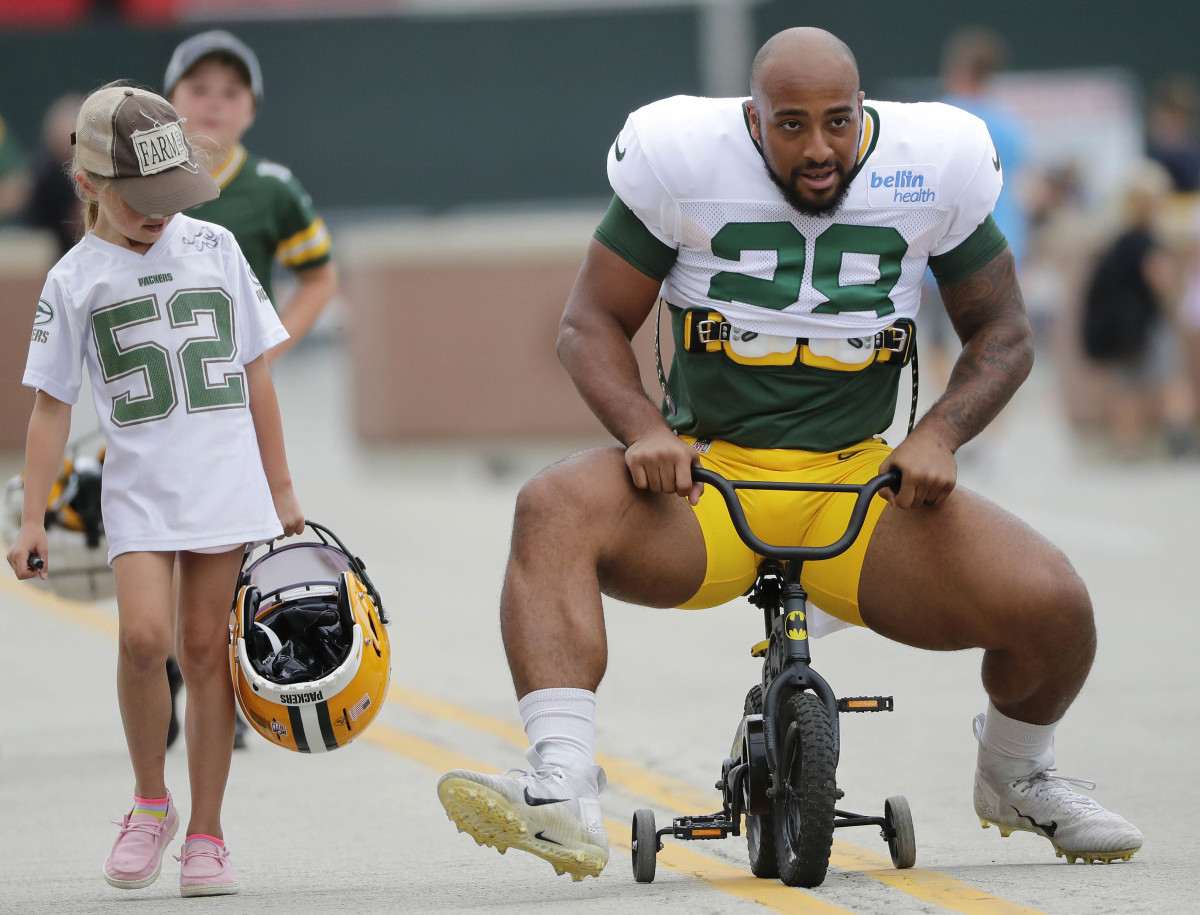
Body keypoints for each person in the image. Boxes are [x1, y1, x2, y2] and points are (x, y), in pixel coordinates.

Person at [435, 27, 1143, 881]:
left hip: (857, 481)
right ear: (751, 117)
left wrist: (939, 434)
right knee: (550, 507)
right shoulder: (683, 158)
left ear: (863, 109)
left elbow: (1005, 332)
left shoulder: (933, 161)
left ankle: (1017, 774)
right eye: (792, 125)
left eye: (838, 122)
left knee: (1056, 605)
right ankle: (561, 784)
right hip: (706, 481)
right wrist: (647, 433)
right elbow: (588, 325)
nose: (818, 149)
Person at [6, 82, 304, 897]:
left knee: (207, 653)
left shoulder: (214, 247)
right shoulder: (73, 279)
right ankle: (150, 801)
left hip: (224, 485)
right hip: (138, 492)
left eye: (173, 195)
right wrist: (32, 516)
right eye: (142, 199)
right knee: (145, 640)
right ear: (89, 185)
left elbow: (257, 377)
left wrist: (281, 490)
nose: (161, 213)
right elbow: (50, 407)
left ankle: (206, 832)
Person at [161, 29, 337, 747]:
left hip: (231, 402)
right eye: (198, 89)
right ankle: (170, 667)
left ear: (252, 109)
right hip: (157, 400)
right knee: (159, 540)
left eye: (230, 92)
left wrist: (273, 340)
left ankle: (217, 681)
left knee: (226, 542)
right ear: (168, 100)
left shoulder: (269, 187)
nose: (212, 104)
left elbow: (319, 272)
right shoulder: (139, 182)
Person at [23, 93, 85, 256]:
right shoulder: (48, 174)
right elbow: (77, 221)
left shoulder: (82, 166)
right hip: (50, 251)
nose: (71, 142)